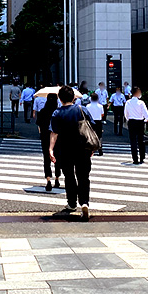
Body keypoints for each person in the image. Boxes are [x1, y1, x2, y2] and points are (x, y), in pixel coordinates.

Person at [49, 85, 95, 221]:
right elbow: (92, 127)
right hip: (83, 148)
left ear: (60, 98)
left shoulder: (57, 113)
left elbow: (54, 133)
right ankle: (84, 203)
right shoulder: (82, 109)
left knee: (69, 176)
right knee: (83, 176)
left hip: (64, 150)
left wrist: (50, 149)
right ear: (74, 98)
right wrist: (92, 147)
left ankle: (72, 203)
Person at [36, 93, 61, 190]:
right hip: (57, 138)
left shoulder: (42, 111)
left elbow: (39, 125)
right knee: (57, 158)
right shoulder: (58, 112)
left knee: (47, 159)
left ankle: (48, 180)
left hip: (45, 137)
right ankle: (57, 178)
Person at [124, 87, 148, 164]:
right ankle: (142, 157)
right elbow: (145, 113)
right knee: (141, 140)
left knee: (133, 140)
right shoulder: (141, 103)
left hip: (131, 121)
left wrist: (128, 120)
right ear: (137, 93)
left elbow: (126, 114)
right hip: (140, 122)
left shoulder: (128, 102)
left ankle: (135, 159)